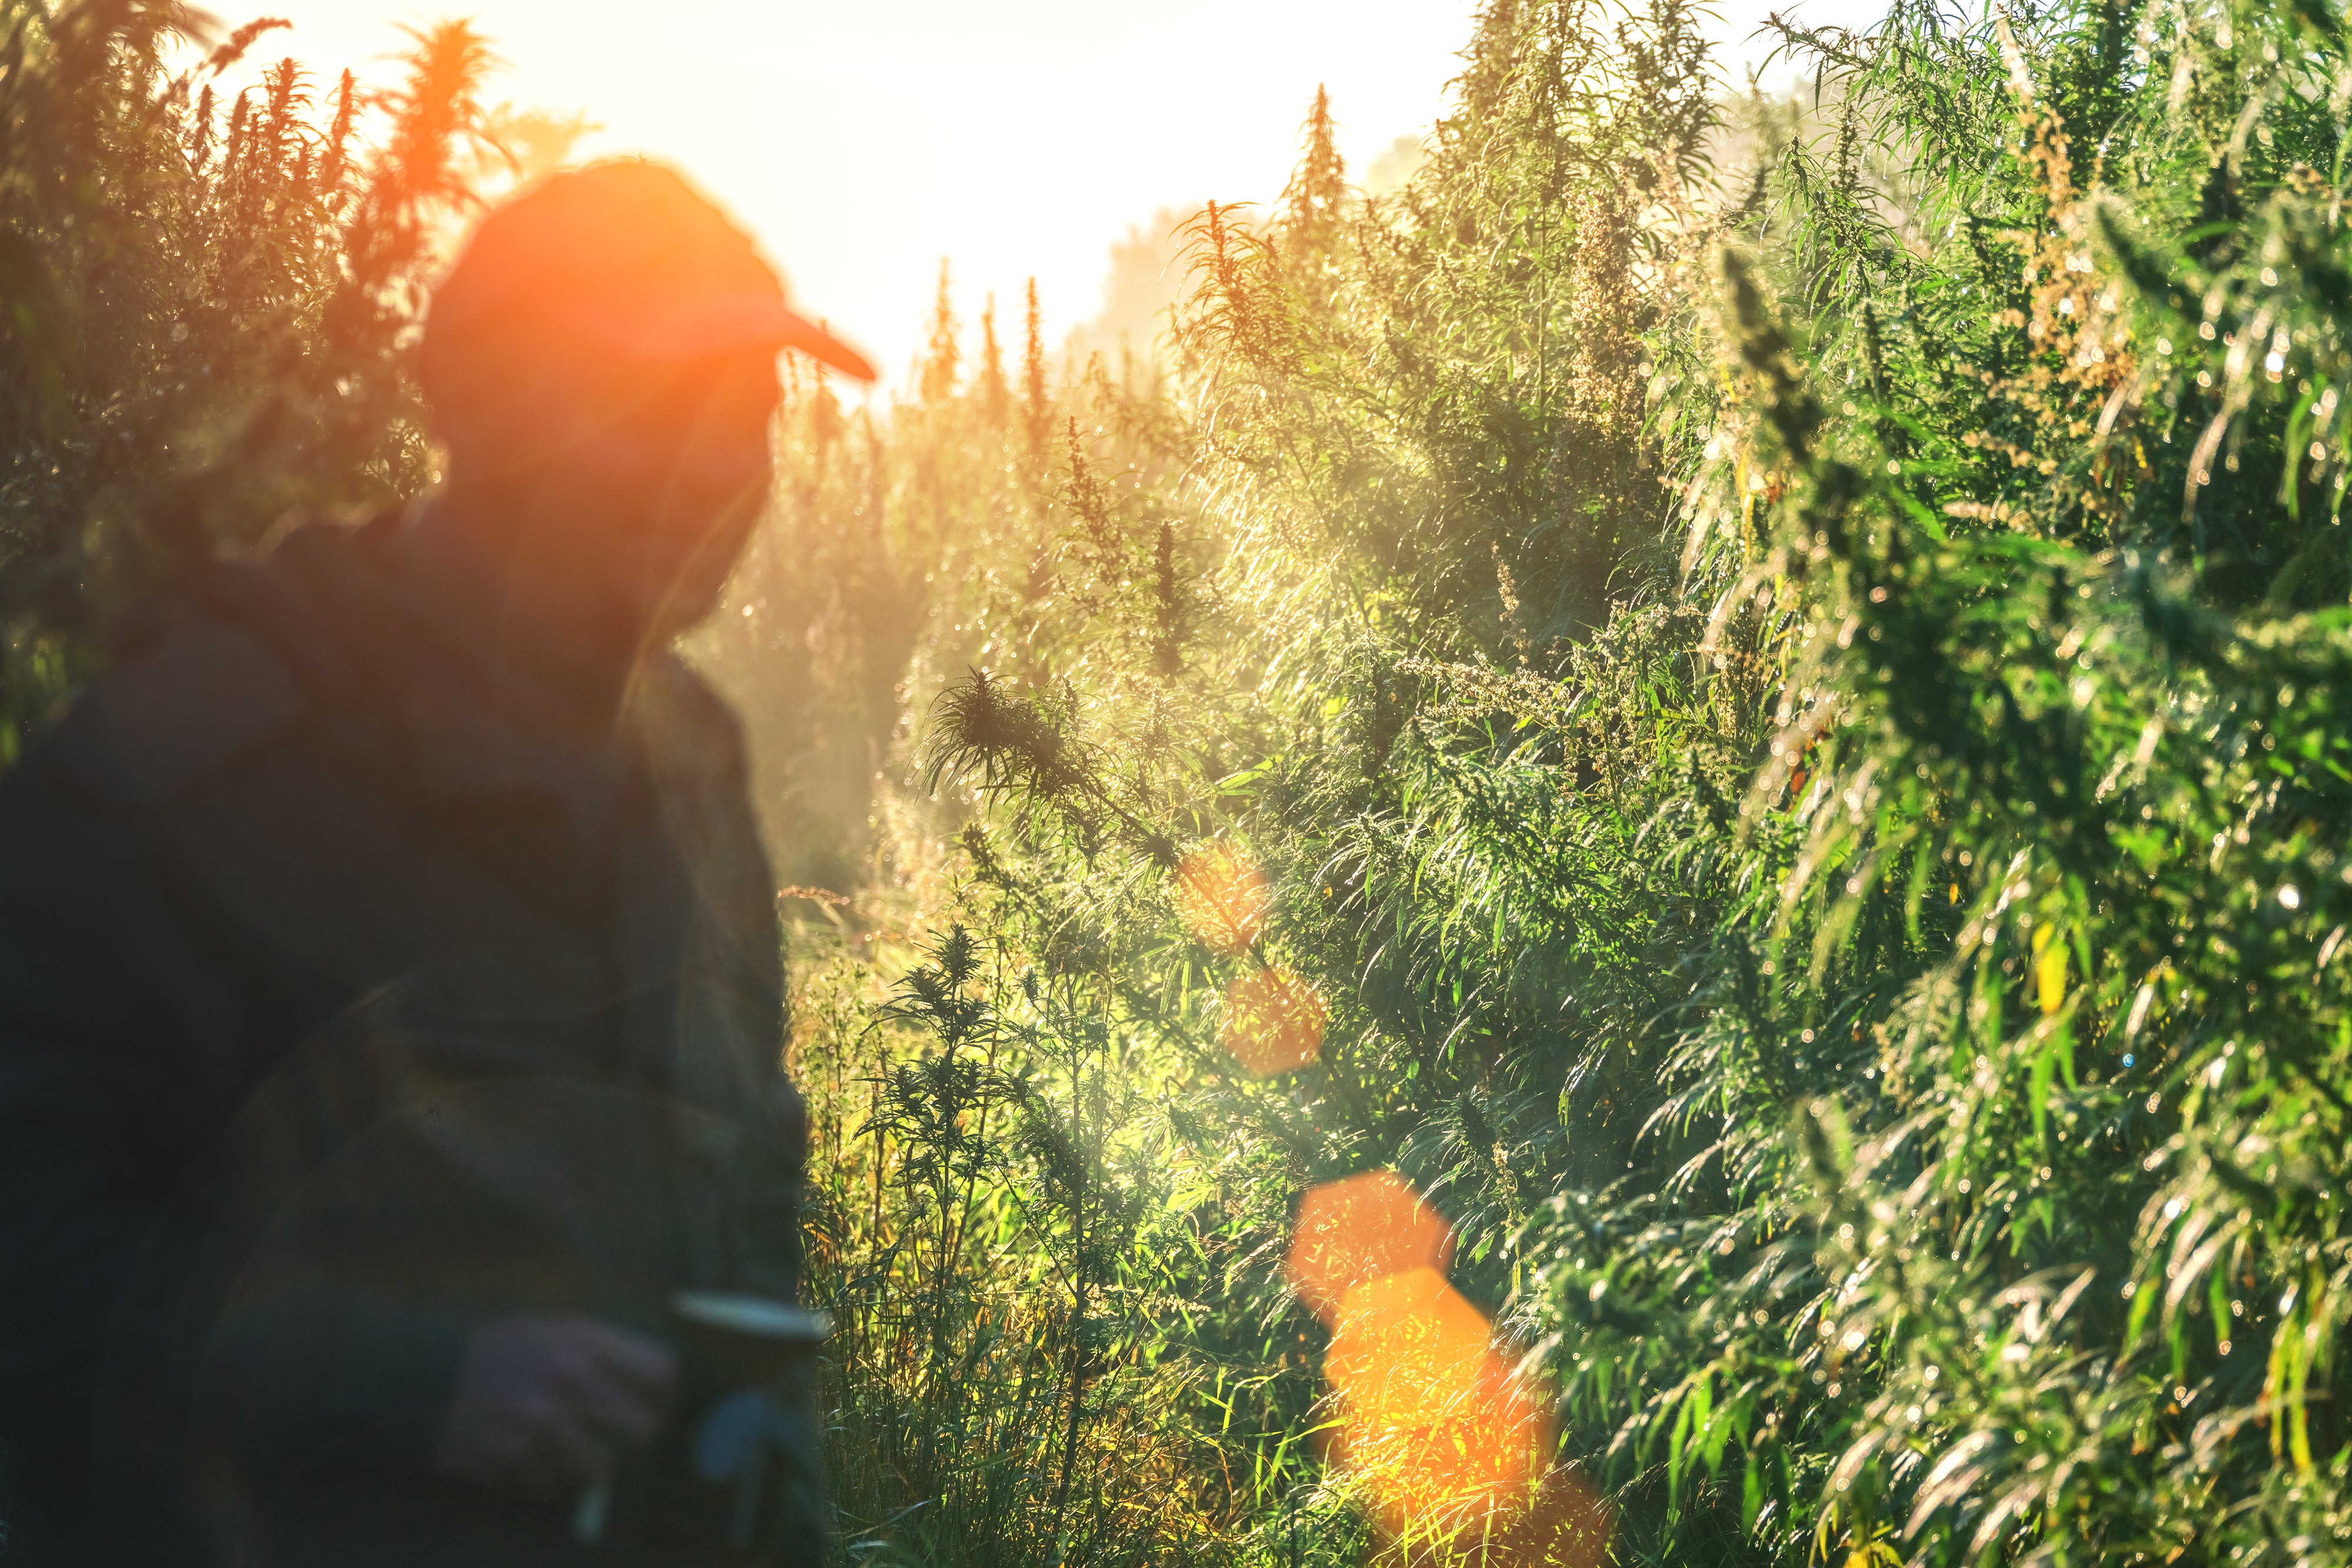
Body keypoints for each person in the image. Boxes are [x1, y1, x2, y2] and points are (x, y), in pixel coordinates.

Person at [0, 161, 875, 1566]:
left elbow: (743, 1221)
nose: (722, 467)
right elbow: (29, 1256)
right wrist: (416, 1384)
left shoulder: (691, 761)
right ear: (499, 419)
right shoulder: (215, 752)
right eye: (662, 410)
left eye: (752, 414)